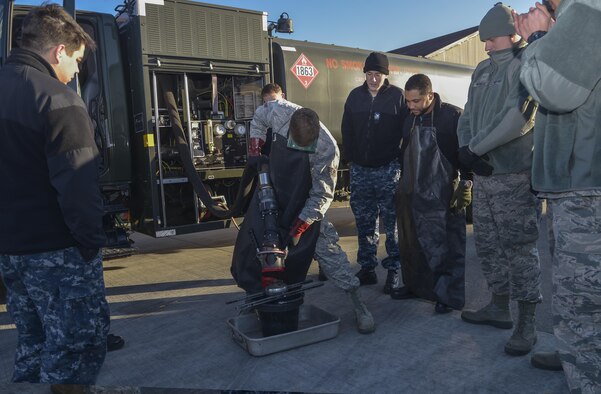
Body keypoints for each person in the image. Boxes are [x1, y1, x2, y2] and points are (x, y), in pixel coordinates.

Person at [0, 4, 110, 384]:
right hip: (57, 253)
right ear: (59, 51)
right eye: (77, 60)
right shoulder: (58, 100)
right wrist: (90, 242)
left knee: (33, 343)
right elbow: (77, 186)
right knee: (76, 350)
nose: (77, 71)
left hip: (10, 252)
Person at [233, 84, 375, 333]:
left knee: (331, 255)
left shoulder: (327, 149)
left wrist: (301, 226)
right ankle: (253, 297)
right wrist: (255, 147)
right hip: (272, 192)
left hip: (304, 204)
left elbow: (321, 195)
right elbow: (256, 119)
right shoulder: (277, 111)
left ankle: (358, 305)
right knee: (251, 247)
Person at [514, 1, 601, 390]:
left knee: (579, 302)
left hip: (584, 185)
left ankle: (583, 370)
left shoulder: (585, 11)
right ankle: (577, 355)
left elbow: (553, 90)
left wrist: (535, 38)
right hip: (579, 181)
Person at [456, 3, 543, 358]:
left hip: (513, 176)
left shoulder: (525, 65)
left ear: (510, 35)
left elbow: (519, 118)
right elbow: (467, 114)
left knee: (520, 249)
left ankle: (527, 323)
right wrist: (465, 148)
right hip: (484, 176)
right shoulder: (481, 70)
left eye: (490, 39)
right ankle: (498, 306)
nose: (485, 46)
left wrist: (476, 149)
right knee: (489, 246)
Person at [390, 74, 468, 314]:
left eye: (416, 101)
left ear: (430, 96)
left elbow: (466, 154)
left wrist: (465, 185)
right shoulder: (409, 119)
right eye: (408, 101)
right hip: (411, 191)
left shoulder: (452, 117)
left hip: (442, 192)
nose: (411, 106)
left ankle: (448, 295)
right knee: (411, 243)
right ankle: (415, 286)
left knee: (446, 245)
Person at [341, 52, 407, 294]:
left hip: (388, 169)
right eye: (369, 74)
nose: (373, 79)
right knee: (364, 220)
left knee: (392, 224)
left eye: (377, 74)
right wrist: (351, 159)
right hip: (361, 170)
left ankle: (394, 270)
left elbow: (407, 132)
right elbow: (346, 129)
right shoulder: (355, 97)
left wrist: (400, 161)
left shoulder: (396, 97)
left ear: (385, 75)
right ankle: (367, 268)